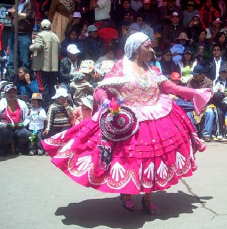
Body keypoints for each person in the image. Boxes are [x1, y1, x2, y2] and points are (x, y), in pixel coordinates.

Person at [41, 32, 211, 214]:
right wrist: (108, 103)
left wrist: (194, 93)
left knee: (151, 160)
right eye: (147, 46)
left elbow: (171, 87)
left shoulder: (152, 69)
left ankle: (148, 198)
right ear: (136, 48)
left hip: (153, 120)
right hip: (127, 122)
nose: (151, 50)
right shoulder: (121, 67)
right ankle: (127, 194)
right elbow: (100, 90)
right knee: (129, 159)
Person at [29, 19, 61, 110]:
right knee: (52, 87)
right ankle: (53, 105)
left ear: (41, 27)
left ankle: (46, 107)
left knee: (43, 87)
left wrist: (30, 46)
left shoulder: (40, 35)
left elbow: (38, 46)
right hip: (53, 67)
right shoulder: (56, 37)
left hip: (42, 66)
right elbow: (58, 51)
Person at [7, 0, 36, 75]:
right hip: (14, 33)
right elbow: (12, 17)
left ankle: (24, 77)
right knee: (12, 58)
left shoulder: (30, 4)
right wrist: (10, 15)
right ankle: (12, 77)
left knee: (24, 59)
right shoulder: (16, 4)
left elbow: (31, 16)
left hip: (24, 34)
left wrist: (18, 14)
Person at [186, 64, 214, 142]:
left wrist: (198, 94)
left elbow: (209, 94)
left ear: (202, 74)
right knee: (188, 114)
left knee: (210, 112)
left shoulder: (208, 82)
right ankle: (193, 133)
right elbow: (189, 94)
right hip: (193, 104)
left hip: (205, 104)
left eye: (196, 75)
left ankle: (206, 134)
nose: (194, 76)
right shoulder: (190, 81)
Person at [0, 85, 30, 156]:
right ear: (5, 94)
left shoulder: (21, 103)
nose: (11, 95)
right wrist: (5, 125)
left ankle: (18, 147)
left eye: (13, 92)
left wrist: (23, 124)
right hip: (5, 127)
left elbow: (28, 117)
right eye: (9, 93)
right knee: (5, 132)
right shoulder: (1, 104)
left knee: (25, 133)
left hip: (18, 127)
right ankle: (3, 149)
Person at [212, 64, 227, 139]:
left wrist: (223, 94)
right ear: (219, 73)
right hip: (220, 103)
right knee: (219, 114)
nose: (223, 74)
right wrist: (224, 94)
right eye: (222, 72)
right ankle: (220, 132)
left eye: (225, 72)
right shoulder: (216, 81)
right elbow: (215, 94)